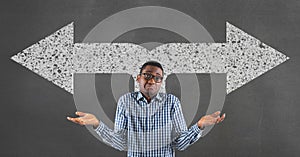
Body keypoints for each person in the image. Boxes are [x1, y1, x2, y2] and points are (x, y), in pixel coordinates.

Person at [67, 61, 225, 157]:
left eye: (158, 78)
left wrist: (199, 126)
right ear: (138, 78)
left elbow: (180, 144)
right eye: (147, 75)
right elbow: (121, 143)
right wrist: (97, 124)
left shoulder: (171, 102)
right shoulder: (126, 101)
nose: (152, 80)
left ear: (161, 82)